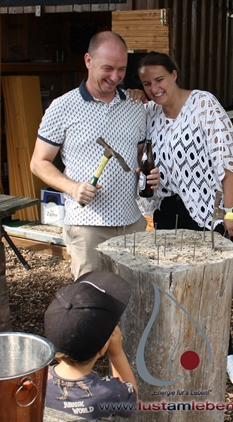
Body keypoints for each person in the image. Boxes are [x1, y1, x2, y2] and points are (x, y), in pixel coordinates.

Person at [135, 52, 233, 386]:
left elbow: (229, 161)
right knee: (171, 287)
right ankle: (182, 352)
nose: (155, 88)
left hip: (206, 212)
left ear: (174, 74)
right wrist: (149, 181)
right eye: (146, 83)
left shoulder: (203, 105)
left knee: (209, 290)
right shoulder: (151, 115)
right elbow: (147, 162)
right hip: (168, 211)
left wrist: (230, 213)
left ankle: (225, 354)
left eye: (160, 80)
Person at [31, 32, 159, 280]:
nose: (115, 77)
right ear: (88, 60)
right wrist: (72, 188)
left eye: (121, 69)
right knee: (93, 303)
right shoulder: (62, 107)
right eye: (108, 68)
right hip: (87, 227)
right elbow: (38, 162)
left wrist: (149, 173)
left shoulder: (135, 106)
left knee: (136, 301)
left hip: (132, 222)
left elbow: (142, 157)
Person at [43, 271, 137, 419]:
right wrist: (116, 352)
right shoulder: (110, 392)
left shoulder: (35, 382)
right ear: (102, 349)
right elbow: (131, 399)